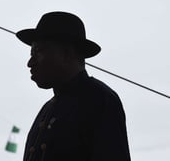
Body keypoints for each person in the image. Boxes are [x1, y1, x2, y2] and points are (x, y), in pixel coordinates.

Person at [16, 11, 131, 161]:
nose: (30, 63)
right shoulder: (47, 109)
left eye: (37, 52)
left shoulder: (100, 100)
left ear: (67, 53)